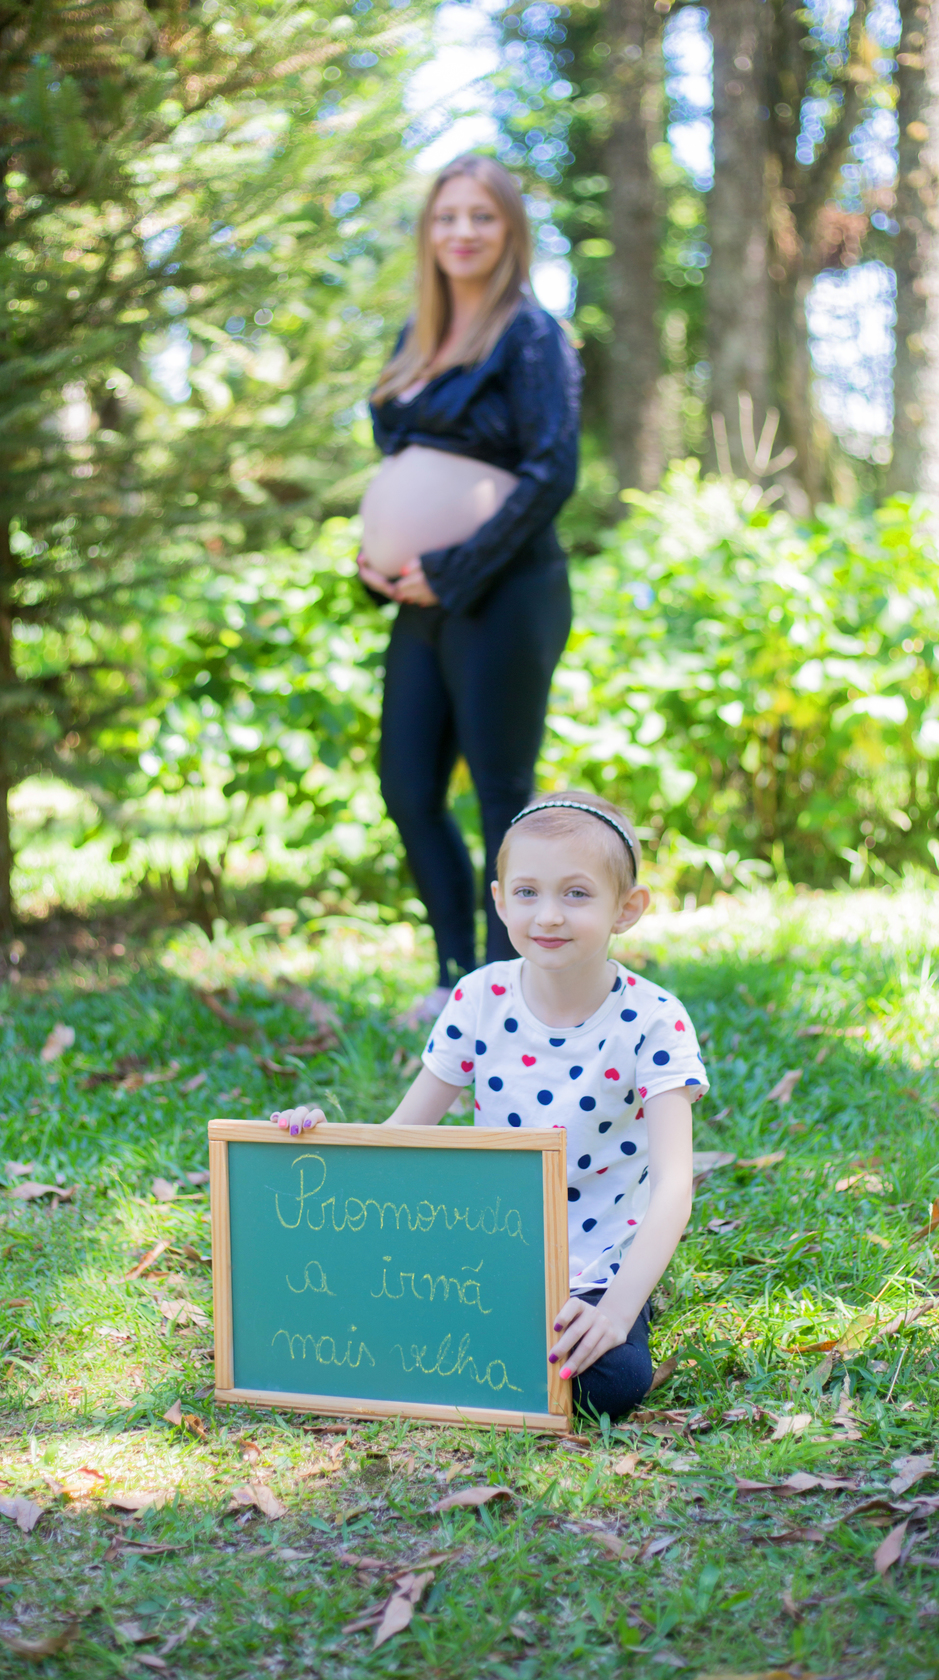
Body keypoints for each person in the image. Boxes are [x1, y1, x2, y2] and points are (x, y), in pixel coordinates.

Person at [271, 790, 708, 1423]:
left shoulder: (654, 1019)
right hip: (481, 1256)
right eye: (527, 893)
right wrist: (316, 1136)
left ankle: (508, 1344)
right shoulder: (481, 996)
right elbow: (402, 1134)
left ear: (627, 908)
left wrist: (615, 1309)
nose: (549, 916)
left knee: (611, 1382)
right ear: (500, 900)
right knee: (356, 1321)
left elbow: (673, 1185)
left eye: (577, 894)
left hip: (595, 1269)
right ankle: (479, 1342)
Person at [358, 155, 581, 1026]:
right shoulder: (416, 338)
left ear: (510, 231)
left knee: (501, 794)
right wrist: (379, 559)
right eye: (447, 215)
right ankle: (459, 978)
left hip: (506, 591)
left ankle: (510, 992)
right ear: (429, 231)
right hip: (421, 601)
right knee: (407, 786)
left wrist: (450, 564)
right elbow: (404, 472)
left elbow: (552, 470)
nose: (462, 231)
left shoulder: (531, 335)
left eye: (481, 216)